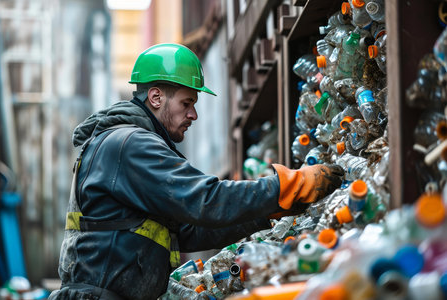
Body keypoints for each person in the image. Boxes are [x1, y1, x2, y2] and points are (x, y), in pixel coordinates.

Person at [48, 43, 344, 300]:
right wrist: (286, 187)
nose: (193, 114)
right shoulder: (132, 144)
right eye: (186, 103)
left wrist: (270, 211)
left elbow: (188, 231)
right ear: (155, 97)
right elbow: (206, 200)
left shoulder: (124, 144)